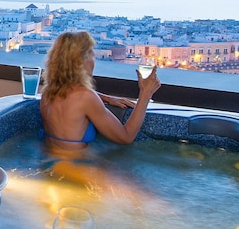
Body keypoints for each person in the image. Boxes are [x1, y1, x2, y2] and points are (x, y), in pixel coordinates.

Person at [40, 30, 161, 158]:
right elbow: (126, 137)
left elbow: (74, 96)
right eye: (92, 54)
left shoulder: (48, 92)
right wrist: (145, 93)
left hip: (49, 158)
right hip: (74, 165)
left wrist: (106, 98)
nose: (94, 60)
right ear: (81, 60)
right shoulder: (86, 97)